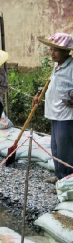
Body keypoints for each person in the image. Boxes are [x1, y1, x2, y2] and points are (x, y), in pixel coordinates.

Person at [34, 33, 73, 188]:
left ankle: (67, 182)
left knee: (66, 150)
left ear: (66, 51)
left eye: (56, 50)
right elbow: (51, 84)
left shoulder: (71, 67)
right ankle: (59, 176)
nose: (51, 52)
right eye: (51, 49)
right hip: (54, 113)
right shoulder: (58, 66)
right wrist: (38, 94)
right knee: (56, 147)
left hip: (67, 116)